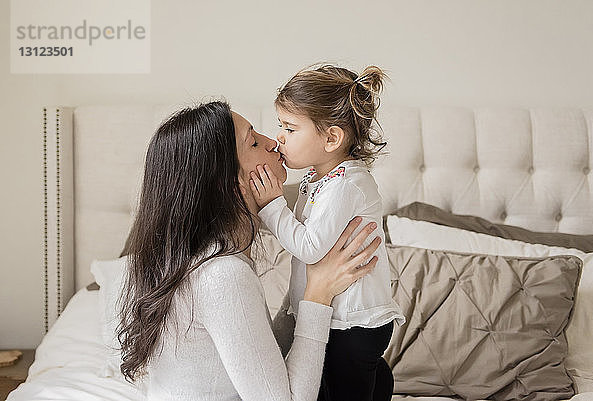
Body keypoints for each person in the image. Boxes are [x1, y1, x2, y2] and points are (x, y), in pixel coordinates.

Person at [116, 100, 382, 401]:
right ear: (226, 183)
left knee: (376, 376)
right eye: (254, 142)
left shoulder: (205, 257)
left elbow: (262, 359)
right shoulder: (221, 274)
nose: (274, 142)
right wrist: (318, 294)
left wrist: (308, 288)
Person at [248, 64, 405, 401]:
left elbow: (309, 248)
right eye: (281, 126)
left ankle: (375, 379)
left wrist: (272, 205)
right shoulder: (321, 179)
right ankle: (378, 380)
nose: (279, 137)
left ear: (332, 138)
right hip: (336, 319)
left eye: (290, 128)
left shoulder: (348, 184)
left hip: (354, 324)